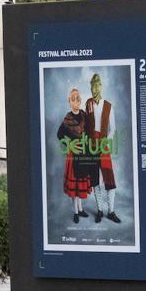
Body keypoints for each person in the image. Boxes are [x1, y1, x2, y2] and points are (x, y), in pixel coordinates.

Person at [85, 74, 121, 224]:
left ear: (101, 86)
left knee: (109, 179)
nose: (95, 88)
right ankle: (100, 210)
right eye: (92, 85)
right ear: (91, 87)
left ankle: (111, 211)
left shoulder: (108, 106)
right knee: (94, 179)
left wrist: (106, 141)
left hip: (103, 145)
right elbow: (86, 126)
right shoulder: (88, 104)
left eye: (97, 85)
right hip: (91, 146)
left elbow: (113, 129)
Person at [56, 88, 94, 223]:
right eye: (73, 99)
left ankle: (81, 208)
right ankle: (76, 211)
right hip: (73, 154)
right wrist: (70, 145)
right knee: (75, 183)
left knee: (80, 182)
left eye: (78, 99)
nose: (76, 102)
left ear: (80, 101)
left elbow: (89, 130)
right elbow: (60, 135)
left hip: (84, 153)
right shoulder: (68, 118)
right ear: (69, 101)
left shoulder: (84, 115)